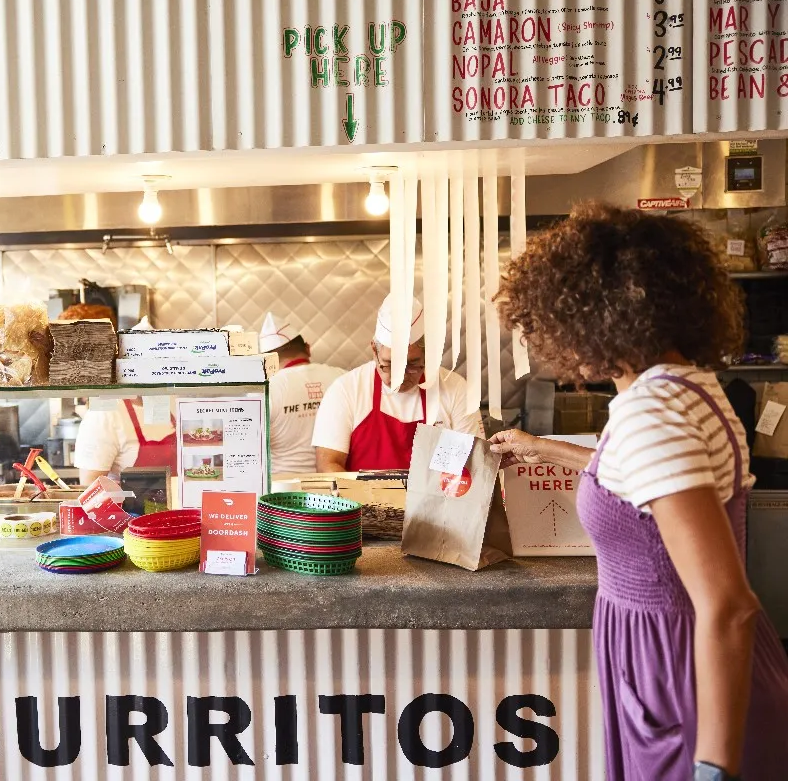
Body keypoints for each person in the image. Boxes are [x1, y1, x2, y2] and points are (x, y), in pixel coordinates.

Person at [488, 203, 788, 781]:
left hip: (686, 682)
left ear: (593, 317)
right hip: (672, 673)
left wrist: (711, 769)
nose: (552, 344)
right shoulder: (680, 387)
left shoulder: (652, 410)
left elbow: (728, 606)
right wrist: (544, 448)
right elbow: (640, 483)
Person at [313, 294, 483, 472]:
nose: (399, 377)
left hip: (436, 500)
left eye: (412, 365)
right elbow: (329, 464)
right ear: (374, 350)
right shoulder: (346, 390)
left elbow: (469, 464)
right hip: (361, 500)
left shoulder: (455, 389)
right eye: (389, 365)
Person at [260, 313, 344, 474]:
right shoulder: (342, 377)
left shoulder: (267, 389)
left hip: (284, 490)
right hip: (334, 485)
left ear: (266, 361)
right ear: (307, 348)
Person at [74, 399, 175, 485]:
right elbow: (90, 489)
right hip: (132, 507)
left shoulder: (172, 399)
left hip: (180, 506)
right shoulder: (103, 411)